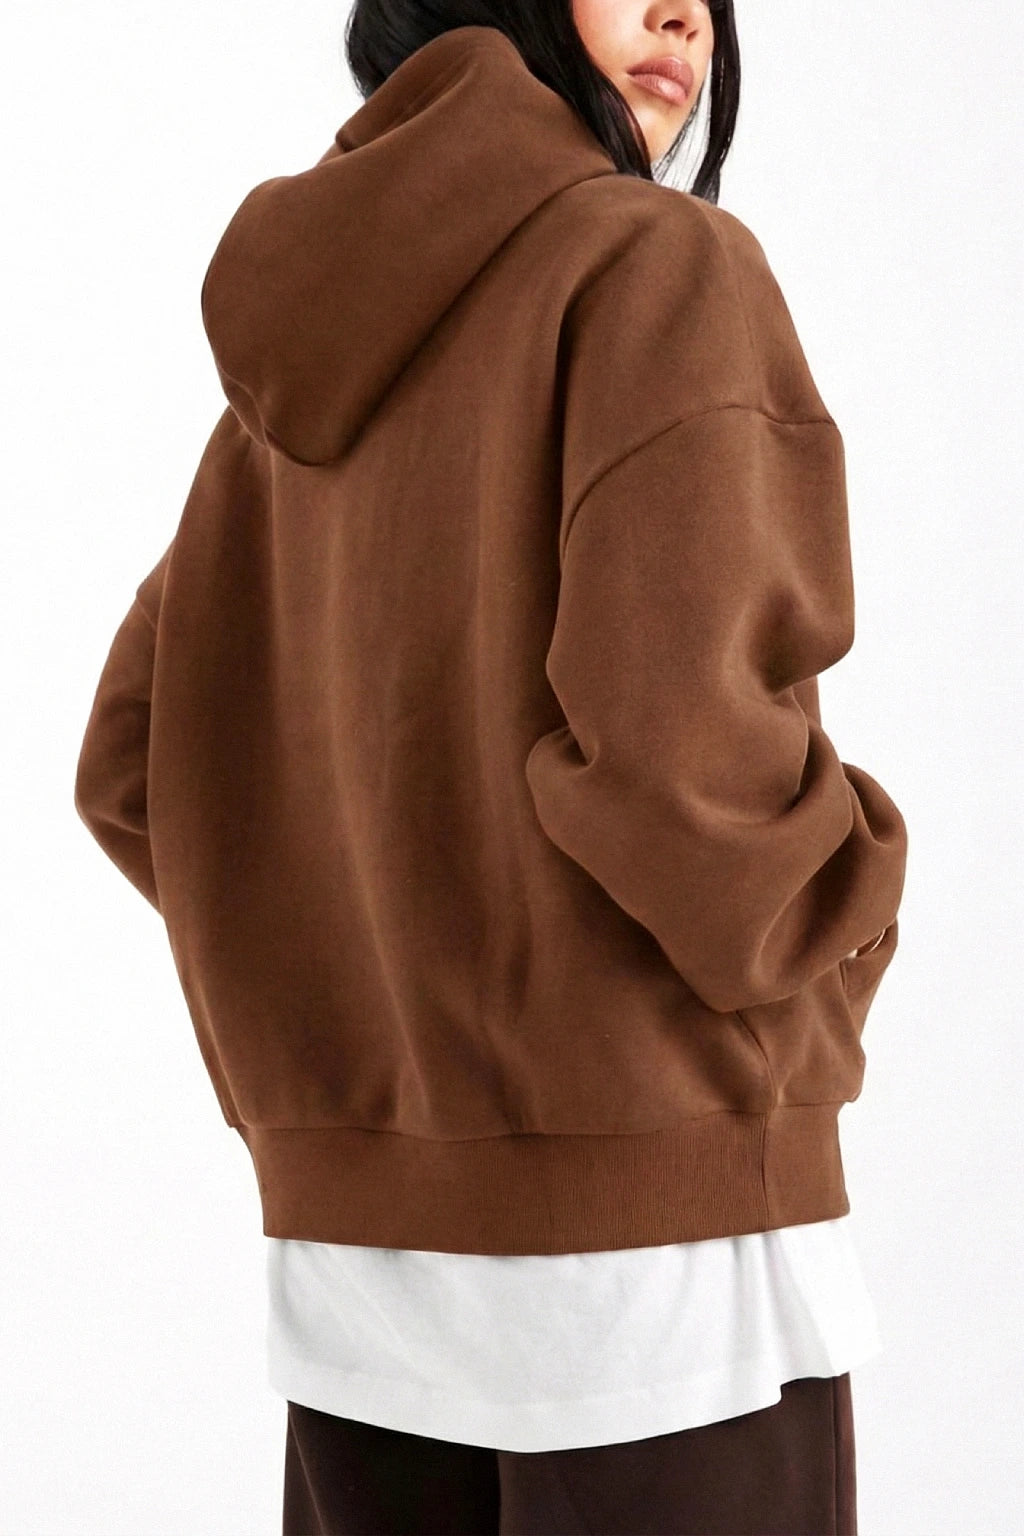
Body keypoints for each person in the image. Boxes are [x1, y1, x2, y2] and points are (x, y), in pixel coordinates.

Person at [73, 2, 909, 1532]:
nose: (685, 12)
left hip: (359, 1284)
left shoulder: (294, 386)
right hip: (656, 1270)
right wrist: (846, 920)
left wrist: (348, 985)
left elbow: (137, 765)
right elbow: (682, 769)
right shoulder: (655, 264)